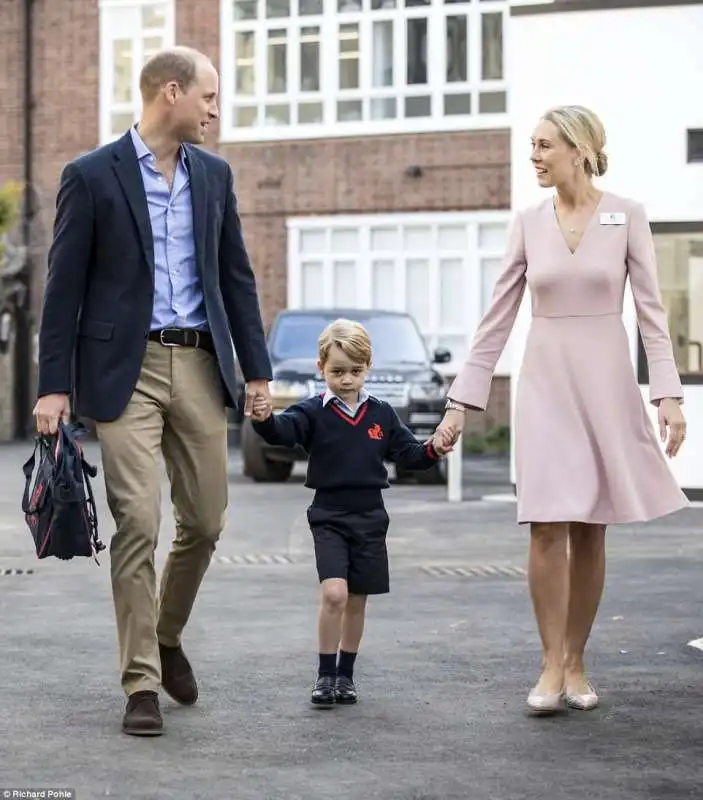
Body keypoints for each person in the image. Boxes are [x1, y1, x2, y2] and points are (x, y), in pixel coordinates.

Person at [33, 46, 273, 736]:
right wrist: (53, 387)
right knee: (138, 521)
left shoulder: (215, 176)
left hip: (199, 363)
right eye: (208, 97)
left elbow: (236, 277)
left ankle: (166, 637)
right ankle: (140, 681)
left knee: (205, 521)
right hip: (122, 372)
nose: (215, 111)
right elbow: (62, 290)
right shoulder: (90, 176)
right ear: (171, 93)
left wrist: (255, 373)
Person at [435, 105, 689, 715]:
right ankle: (550, 663)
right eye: (533, 146)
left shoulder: (626, 216)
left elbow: (652, 314)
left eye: (545, 146)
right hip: (545, 382)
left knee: (590, 525)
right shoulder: (527, 222)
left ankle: (577, 660)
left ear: (579, 148)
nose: (535, 157)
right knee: (547, 522)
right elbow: (498, 316)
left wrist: (669, 394)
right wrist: (461, 402)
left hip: (605, 381)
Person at [250, 318, 452, 707]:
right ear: (320, 368)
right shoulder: (312, 412)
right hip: (328, 515)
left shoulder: (382, 415)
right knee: (335, 593)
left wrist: (434, 449)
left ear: (368, 368)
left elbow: (409, 455)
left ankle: (346, 676)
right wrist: (263, 419)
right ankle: (325, 676)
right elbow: (282, 431)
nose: (346, 380)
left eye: (355, 372)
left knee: (357, 599)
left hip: (371, 519)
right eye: (337, 371)